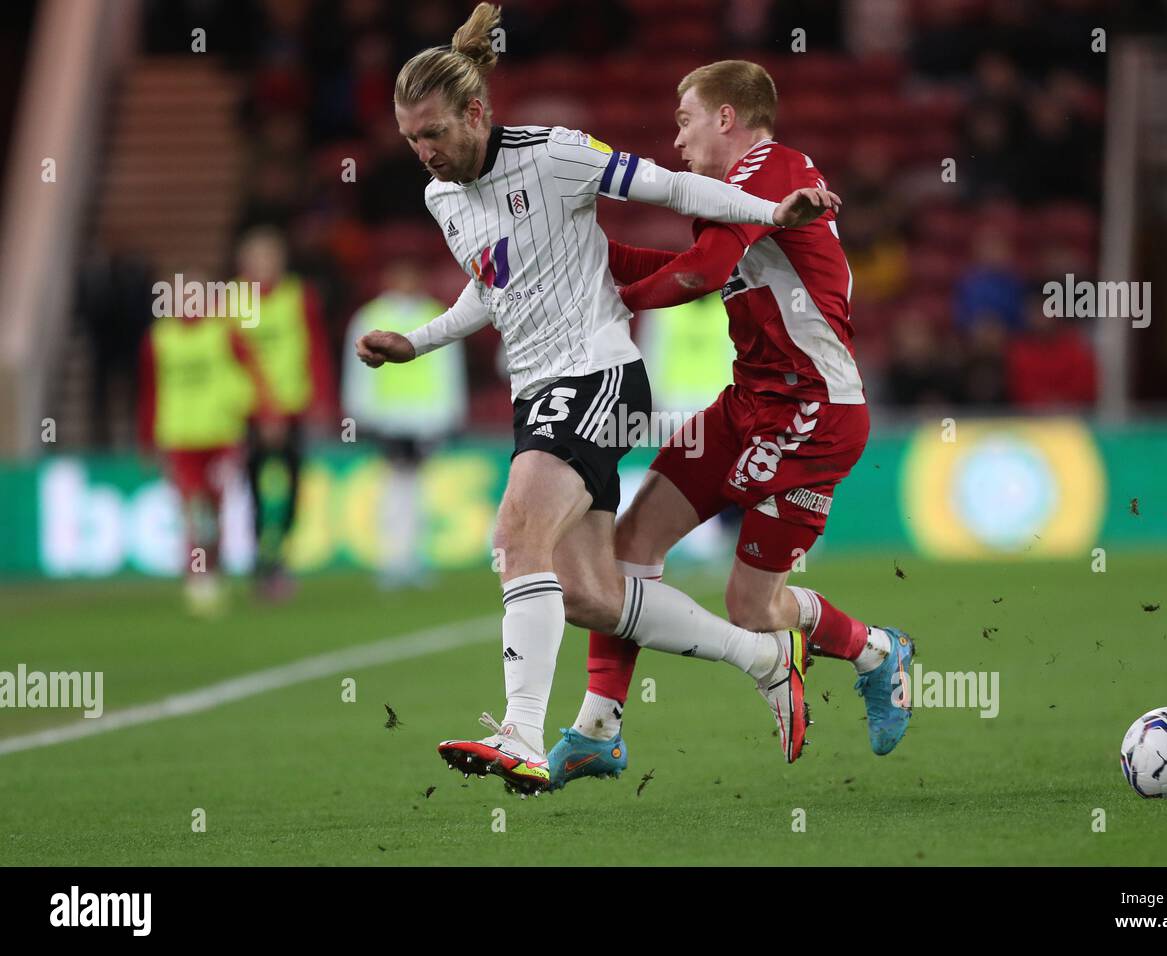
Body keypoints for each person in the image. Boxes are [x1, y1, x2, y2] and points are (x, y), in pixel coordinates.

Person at [354, 3, 839, 794]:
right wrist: (420, 340)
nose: (424, 153)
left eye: (435, 132)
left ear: (477, 110)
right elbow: (494, 289)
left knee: (516, 535)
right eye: (412, 138)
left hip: (598, 376)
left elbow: (675, 187)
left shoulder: (557, 155)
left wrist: (769, 213)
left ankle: (518, 732)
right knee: (588, 593)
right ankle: (763, 657)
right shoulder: (443, 201)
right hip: (538, 391)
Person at [546, 59, 916, 790]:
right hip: (747, 402)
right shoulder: (736, 194)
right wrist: (575, 256)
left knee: (752, 606)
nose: (675, 141)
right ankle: (597, 729)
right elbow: (690, 262)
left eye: (684, 120)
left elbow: (703, 271)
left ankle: (876, 651)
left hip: (813, 415)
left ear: (725, 118)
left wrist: (613, 300)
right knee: (627, 548)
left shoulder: (770, 170)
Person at [137, 269, 278, 615]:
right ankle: (199, 576)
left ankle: (213, 569)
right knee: (194, 509)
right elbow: (150, 392)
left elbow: (252, 372)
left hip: (221, 435)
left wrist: (264, 412)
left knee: (215, 507)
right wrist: (146, 438)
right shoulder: (159, 338)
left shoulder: (223, 331)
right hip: (180, 437)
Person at [341, 259, 468, 587]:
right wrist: (360, 414)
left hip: (424, 418)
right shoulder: (370, 317)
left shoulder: (434, 312)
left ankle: (410, 558)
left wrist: (450, 413)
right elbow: (356, 371)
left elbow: (448, 368)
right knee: (394, 487)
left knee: (415, 488)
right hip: (389, 418)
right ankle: (393, 559)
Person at [234, 226, 336, 600]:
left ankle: (280, 556)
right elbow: (232, 358)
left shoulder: (299, 296)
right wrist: (263, 410)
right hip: (248, 413)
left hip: (293, 408)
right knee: (255, 488)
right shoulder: (234, 301)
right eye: (257, 259)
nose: (264, 266)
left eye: (271, 258)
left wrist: (322, 399)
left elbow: (315, 348)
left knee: (293, 486)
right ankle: (263, 560)